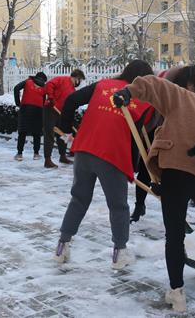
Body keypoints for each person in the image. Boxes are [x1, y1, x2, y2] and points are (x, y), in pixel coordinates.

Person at [112, 70, 195, 313]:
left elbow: (154, 84)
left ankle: (177, 294)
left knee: (174, 236)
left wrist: (128, 92)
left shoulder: (183, 95)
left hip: (176, 170)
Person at [54, 60, 153, 269]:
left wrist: (66, 130)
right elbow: (139, 137)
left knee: (79, 199)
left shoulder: (103, 85)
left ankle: (62, 246)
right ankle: (120, 253)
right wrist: (134, 164)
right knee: (118, 205)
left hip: (84, 149)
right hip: (112, 156)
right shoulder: (144, 101)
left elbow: (71, 100)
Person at [130, 64, 195, 223]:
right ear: (191, 81)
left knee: (179, 175)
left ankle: (179, 214)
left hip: (181, 138)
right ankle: (139, 205)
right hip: (160, 130)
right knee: (147, 171)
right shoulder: (172, 87)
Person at [42, 69, 86, 168]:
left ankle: (62, 156)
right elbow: (49, 85)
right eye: (79, 80)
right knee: (49, 133)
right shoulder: (61, 79)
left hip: (61, 113)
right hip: (51, 109)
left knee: (64, 134)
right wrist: (51, 97)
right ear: (76, 78)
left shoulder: (72, 90)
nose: (79, 83)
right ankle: (47, 160)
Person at [13, 72, 47, 161]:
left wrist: (18, 103)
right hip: (38, 110)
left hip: (25, 108)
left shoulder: (28, 81)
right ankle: (36, 154)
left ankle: (19, 154)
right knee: (37, 132)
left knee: (22, 131)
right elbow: (44, 99)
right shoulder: (44, 86)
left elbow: (16, 88)